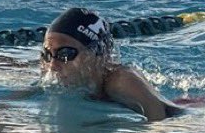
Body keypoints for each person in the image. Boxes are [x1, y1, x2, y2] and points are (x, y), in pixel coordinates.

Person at [40, 7, 180, 121]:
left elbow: (159, 123)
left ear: (97, 54)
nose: (52, 65)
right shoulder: (55, 73)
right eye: (47, 55)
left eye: (65, 54)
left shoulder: (121, 80)